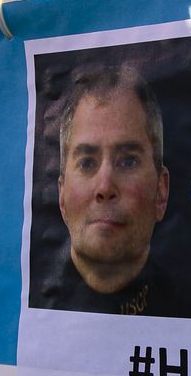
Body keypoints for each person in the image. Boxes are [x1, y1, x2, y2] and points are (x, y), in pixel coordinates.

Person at [34, 65, 178, 316]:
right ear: (62, 195)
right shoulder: (21, 307)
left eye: (128, 161)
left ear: (161, 190)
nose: (104, 187)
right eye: (87, 162)